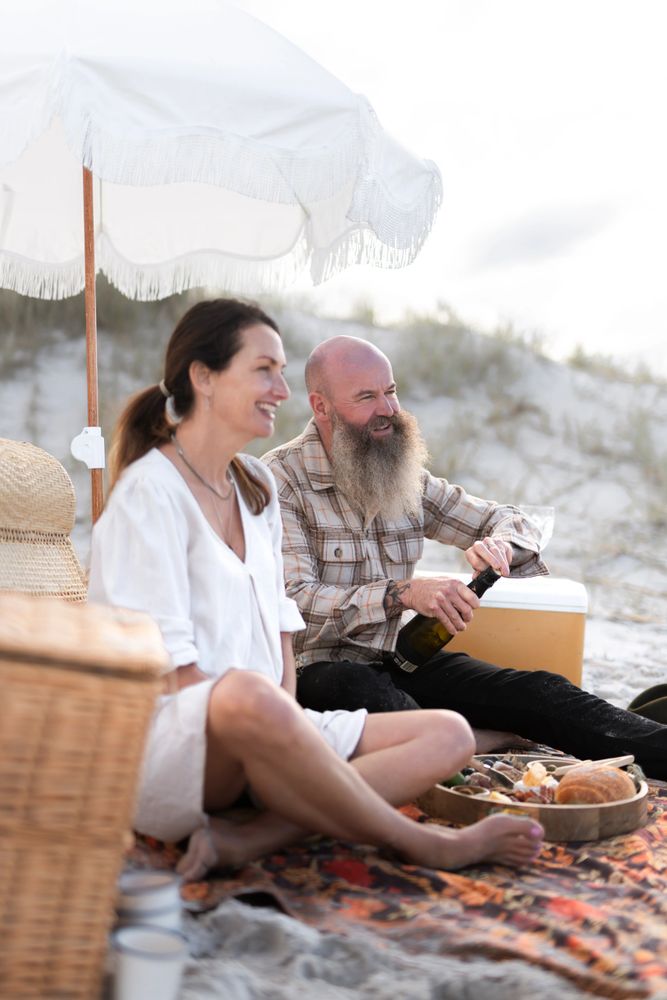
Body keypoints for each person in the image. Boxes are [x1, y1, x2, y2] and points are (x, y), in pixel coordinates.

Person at [87, 300, 544, 883]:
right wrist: (280, 733)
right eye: (264, 370)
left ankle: (254, 835)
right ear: (203, 377)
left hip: (265, 721)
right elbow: (169, 672)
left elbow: (279, 623)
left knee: (449, 734)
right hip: (177, 742)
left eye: (282, 371)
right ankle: (426, 844)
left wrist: (290, 725)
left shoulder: (252, 485)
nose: (282, 389)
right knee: (245, 696)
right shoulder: (149, 494)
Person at [262, 334, 667, 779]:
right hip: (317, 673)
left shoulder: (400, 469)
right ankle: (480, 743)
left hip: (401, 659)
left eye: (391, 391)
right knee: (360, 690)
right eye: (367, 397)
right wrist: (403, 594)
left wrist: (501, 545)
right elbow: (296, 601)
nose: (389, 409)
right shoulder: (279, 481)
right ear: (321, 407)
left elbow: (516, 520)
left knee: (539, 691)